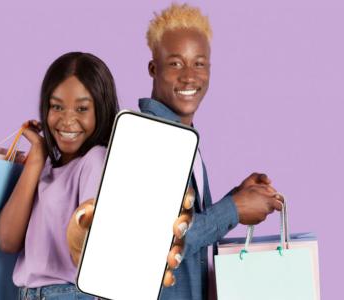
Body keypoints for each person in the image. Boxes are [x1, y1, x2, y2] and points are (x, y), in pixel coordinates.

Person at [67, 4, 284, 300]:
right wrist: (234, 208)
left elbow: (183, 224)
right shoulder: (145, 139)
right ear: (153, 68)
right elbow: (149, 246)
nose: (189, 76)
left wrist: (239, 196)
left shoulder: (184, 139)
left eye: (199, 63)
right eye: (175, 63)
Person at [0, 52, 119, 300]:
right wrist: (37, 158)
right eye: (57, 106)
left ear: (101, 109)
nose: (67, 120)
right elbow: (7, 241)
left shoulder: (95, 161)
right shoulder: (47, 167)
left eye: (82, 108)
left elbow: (92, 251)